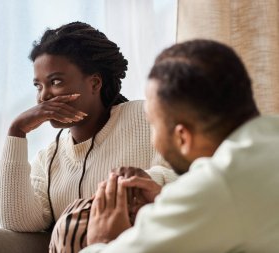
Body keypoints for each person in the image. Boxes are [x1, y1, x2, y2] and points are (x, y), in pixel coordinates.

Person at [82, 39, 279, 253]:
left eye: (152, 124)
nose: (153, 139)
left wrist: (103, 241)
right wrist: (172, 206)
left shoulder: (219, 183)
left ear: (182, 137)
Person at [0, 21, 176, 235]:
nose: (44, 96)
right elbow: (17, 221)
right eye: (38, 86)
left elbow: (196, 182)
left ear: (95, 83)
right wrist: (16, 131)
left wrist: (146, 182)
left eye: (56, 82)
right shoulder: (50, 157)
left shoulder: (149, 118)